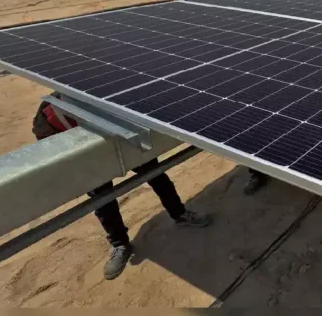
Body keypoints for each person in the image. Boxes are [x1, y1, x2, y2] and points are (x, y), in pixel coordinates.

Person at [32, 94, 211, 280]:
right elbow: (48, 144)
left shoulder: (109, 93)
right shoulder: (50, 115)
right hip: (89, 157)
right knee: (102, 199)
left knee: (155, 175)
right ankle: (119, 244)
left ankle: (179, 213)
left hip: (124, 140)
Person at [213, 0, 270, 193]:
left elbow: (266, 0)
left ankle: (258, 168)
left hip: (253, 35)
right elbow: (217, 1)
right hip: (231, 35)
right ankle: (255, 168)